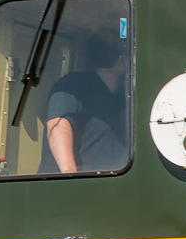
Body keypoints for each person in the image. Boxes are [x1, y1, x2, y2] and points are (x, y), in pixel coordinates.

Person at [39, 34, 130, 174]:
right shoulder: (74, 84)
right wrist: (70, 175)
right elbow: (58, 124)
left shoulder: (124, 98)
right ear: (121, 60)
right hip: (75, 188)